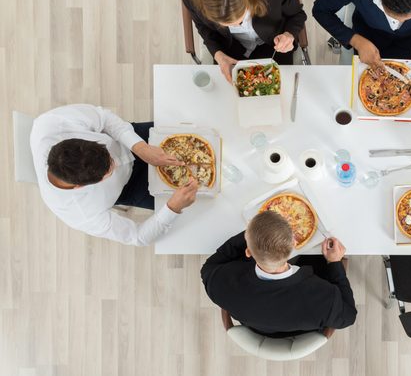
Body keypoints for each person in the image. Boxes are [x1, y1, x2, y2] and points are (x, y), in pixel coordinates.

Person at [30, 104, 199, 246]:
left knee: (198, 130)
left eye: (109, 156)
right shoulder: (80, 213)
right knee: (197, 204)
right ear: (79, 186)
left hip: (128, 141)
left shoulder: (53, 123)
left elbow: (105, 118)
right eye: (109, 171)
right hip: (130, 187)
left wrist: (141, 148)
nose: (116, 162)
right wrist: (173, 207)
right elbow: (138, 237)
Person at [201, 211, 357, 337]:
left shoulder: (221, 284)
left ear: (248, 252)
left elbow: (209, 267)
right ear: (294, 244)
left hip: (258, 324)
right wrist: (335, 262)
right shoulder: (323, 300)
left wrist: (256, 234)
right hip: (301, 325)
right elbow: (349, 316)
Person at [180, 0, 308, 83]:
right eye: (226, 25)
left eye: (239, 21)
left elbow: (297, 14)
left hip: (273, 47)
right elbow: (204, 28)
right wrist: (219, 55)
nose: (236, 27)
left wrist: (289, 35)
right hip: (229, 51)